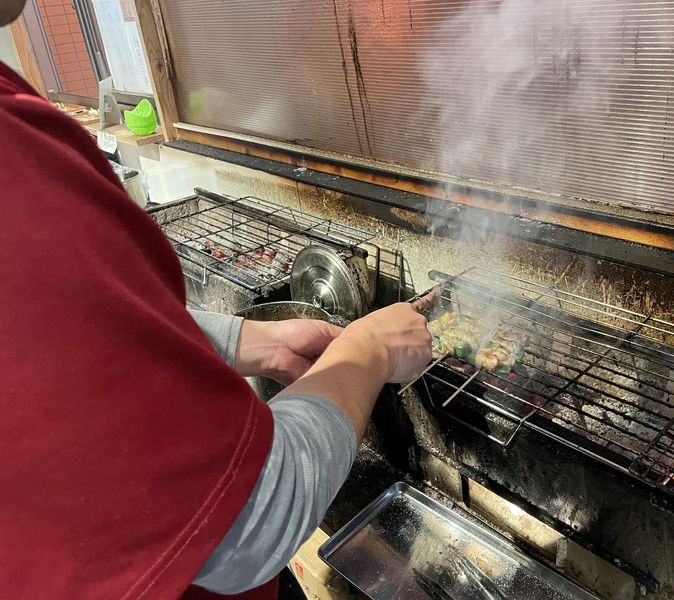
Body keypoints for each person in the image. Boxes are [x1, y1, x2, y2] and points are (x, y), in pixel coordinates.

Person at [0, 1, 432, 598]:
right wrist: (367, 350)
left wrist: (250, 340)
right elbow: (249, 520)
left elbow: (72, 347)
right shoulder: (13, 169)